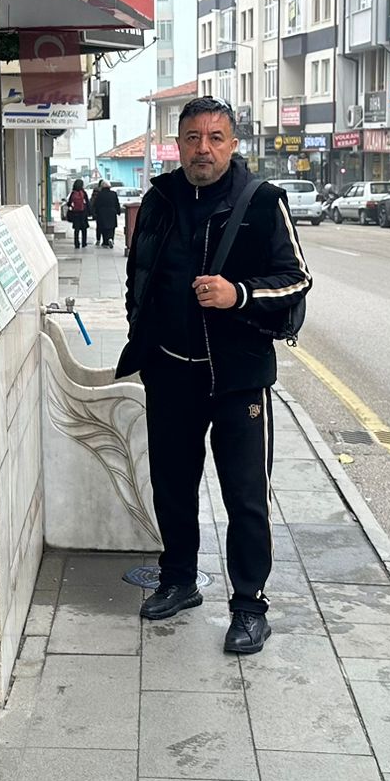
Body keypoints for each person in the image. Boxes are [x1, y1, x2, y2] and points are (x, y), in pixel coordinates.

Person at [116, 96, 311, 655]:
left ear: (233, 144)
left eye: (215, 137)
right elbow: (139, 274)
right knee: (172, 486)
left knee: (245, 496)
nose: (203, 149)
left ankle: (250, 606)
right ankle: (179, 579)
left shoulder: (262, 202)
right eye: (193, 138)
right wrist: (141, 332)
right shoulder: (160, 199)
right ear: (178, 145)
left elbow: (297, 278)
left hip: (236, 379)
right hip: (170, 373)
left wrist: (238, 294)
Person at [89, 180, 122, 249]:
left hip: (102, 213)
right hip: (112, 212)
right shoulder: (113, 194)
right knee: (111, 227)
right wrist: (118, 211)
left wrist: (95, 213)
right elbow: (116, 203)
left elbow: (96, 204)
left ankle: (105, 242)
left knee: (104, 228)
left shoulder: (100, 194)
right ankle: (111, 238)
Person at [65, 180, 91, 248]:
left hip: (75, 213)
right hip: (83, 213)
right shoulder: (84, 193)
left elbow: (69, 203)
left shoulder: (73, 193)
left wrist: (71, 206)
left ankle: (76, 243)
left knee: (76, 229)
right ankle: (84, 243)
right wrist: (89, 212)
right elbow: (87, 202)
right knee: (84, 229)